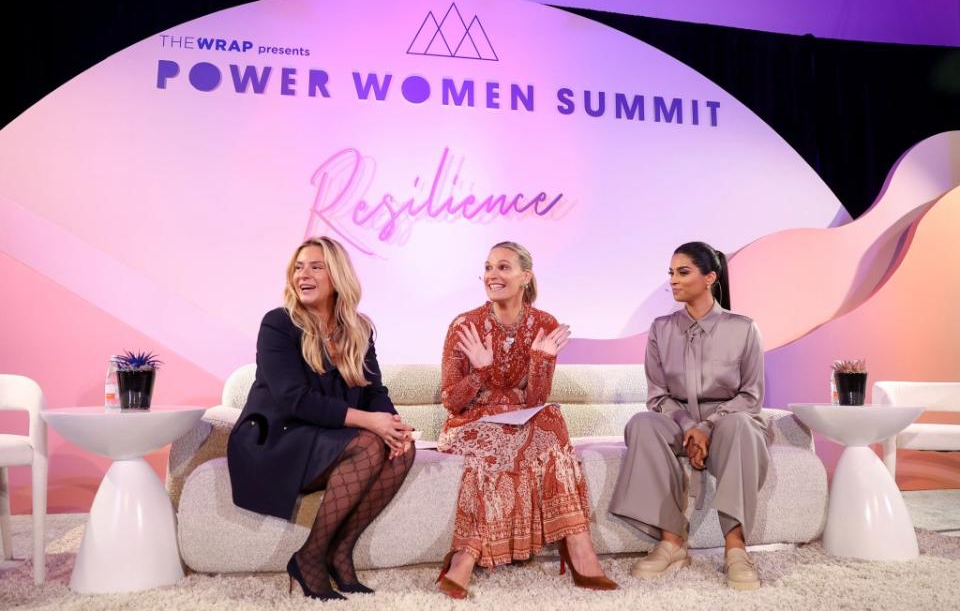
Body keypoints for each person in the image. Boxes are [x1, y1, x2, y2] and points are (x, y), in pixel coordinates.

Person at [227, 237, 416, 600]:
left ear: (337, 276)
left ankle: (339, 551)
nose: (304, 274)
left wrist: (393, 424)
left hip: (324, 436)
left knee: (400, 450)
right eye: (298, 267)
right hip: (277, 440)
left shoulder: (358, 328)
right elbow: (292, 399)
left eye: (316, 266)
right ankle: (310, 556)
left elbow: (374, 389)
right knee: (366, 444)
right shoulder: (278, 324)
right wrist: (369, 422)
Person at [434, 241, 617, 599]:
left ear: (525, 276)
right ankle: (466, 555)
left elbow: (535, 401)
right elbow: (451, 403)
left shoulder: (543, 323)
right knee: (517, 437)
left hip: (521, 423)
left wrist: (542, 359)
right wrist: (480, 373)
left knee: (550, 417)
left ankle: (578, 543)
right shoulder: (464, 325)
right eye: (488, 267)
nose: (492, 275)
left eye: (503, 267)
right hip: (470, 425)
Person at [610, 241, 768, 591]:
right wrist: (689, 426)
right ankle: (672, 542)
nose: (673, 281)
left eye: (683, 272)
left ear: (709, 277)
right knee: (642, 423)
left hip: (728, 420)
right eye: (671, 273)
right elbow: (657, 395)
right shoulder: (661, 329)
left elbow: (751, 396)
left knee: (740, 425)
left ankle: (736, 548)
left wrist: (708, 427)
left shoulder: (743, 328)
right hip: (677, 420)